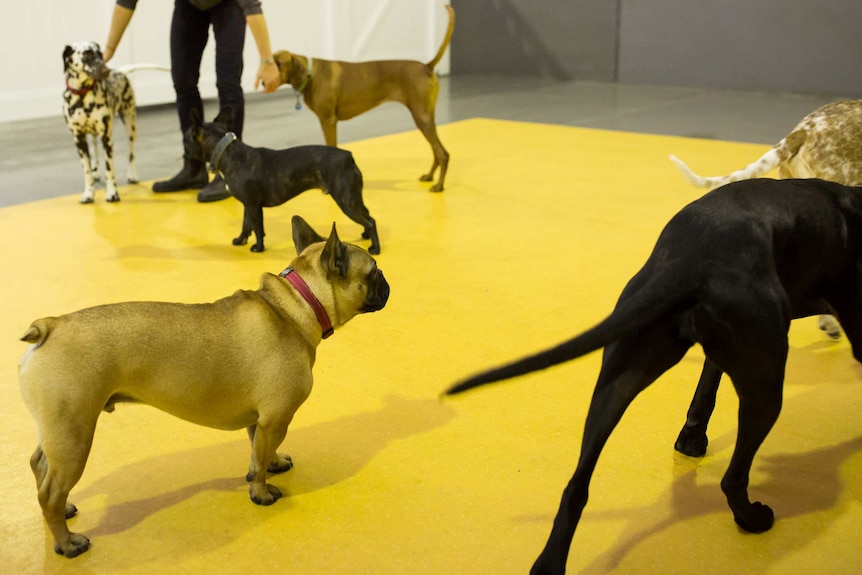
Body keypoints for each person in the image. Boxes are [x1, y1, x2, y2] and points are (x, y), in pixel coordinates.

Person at [104, 0, 281, 202]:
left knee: (228, 82)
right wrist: (108, 50)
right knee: (183, 81)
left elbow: (251, 5)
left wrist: (267, 60)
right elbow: (126, 2)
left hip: (229, 5)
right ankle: (194, 168)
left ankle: (233, 171)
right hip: (189, 6)